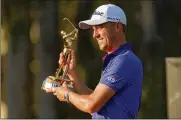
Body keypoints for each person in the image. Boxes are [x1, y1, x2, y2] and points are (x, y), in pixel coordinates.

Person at [45, 4, 143, 119]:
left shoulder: (123, 60)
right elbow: (99, 107)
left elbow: (91, 105)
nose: (95, 35)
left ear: (117, 26)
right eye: (93, 29)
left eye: (100, 27)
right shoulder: (117, 60)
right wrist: (72, 74)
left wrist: (67, 94)